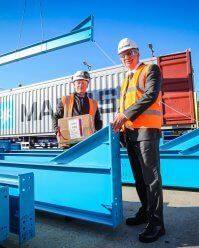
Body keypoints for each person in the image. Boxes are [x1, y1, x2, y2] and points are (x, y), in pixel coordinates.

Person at [111, 38, 164, 243]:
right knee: (139, 179)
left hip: (147, 131)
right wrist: (122, 128)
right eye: (123, 55)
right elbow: (124, 106)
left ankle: (157, 223)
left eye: (130, 53)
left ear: (138, 52)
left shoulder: (151, 69)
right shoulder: (126, 79)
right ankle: (145, 211)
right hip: (131, 133)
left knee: (151, 179)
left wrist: (125, 115)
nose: (126, 57)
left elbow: (150, 95)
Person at [52, 70, 102, 143]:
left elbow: (98, 121)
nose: (80, 85)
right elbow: (56, 116)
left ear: (87, 85)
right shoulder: (65, 100)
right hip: (69, 142)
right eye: (78, 83)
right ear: (74, 85)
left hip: (88, 142)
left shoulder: (93, 103)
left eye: (83, 83)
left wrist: (96, 131)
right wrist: (57, 131)